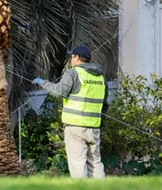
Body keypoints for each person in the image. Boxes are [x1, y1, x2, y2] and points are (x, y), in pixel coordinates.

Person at [32, 45, 109, 179]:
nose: (70, 60)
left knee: (78, 164)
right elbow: (105, 104)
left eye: (72, 57)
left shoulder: (73, 73)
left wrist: (42, 82)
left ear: (77, 58)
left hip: (75, 127)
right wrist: (99, 123)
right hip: (94, 128)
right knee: (95, 163)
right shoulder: (100, 77)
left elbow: (58, 91)